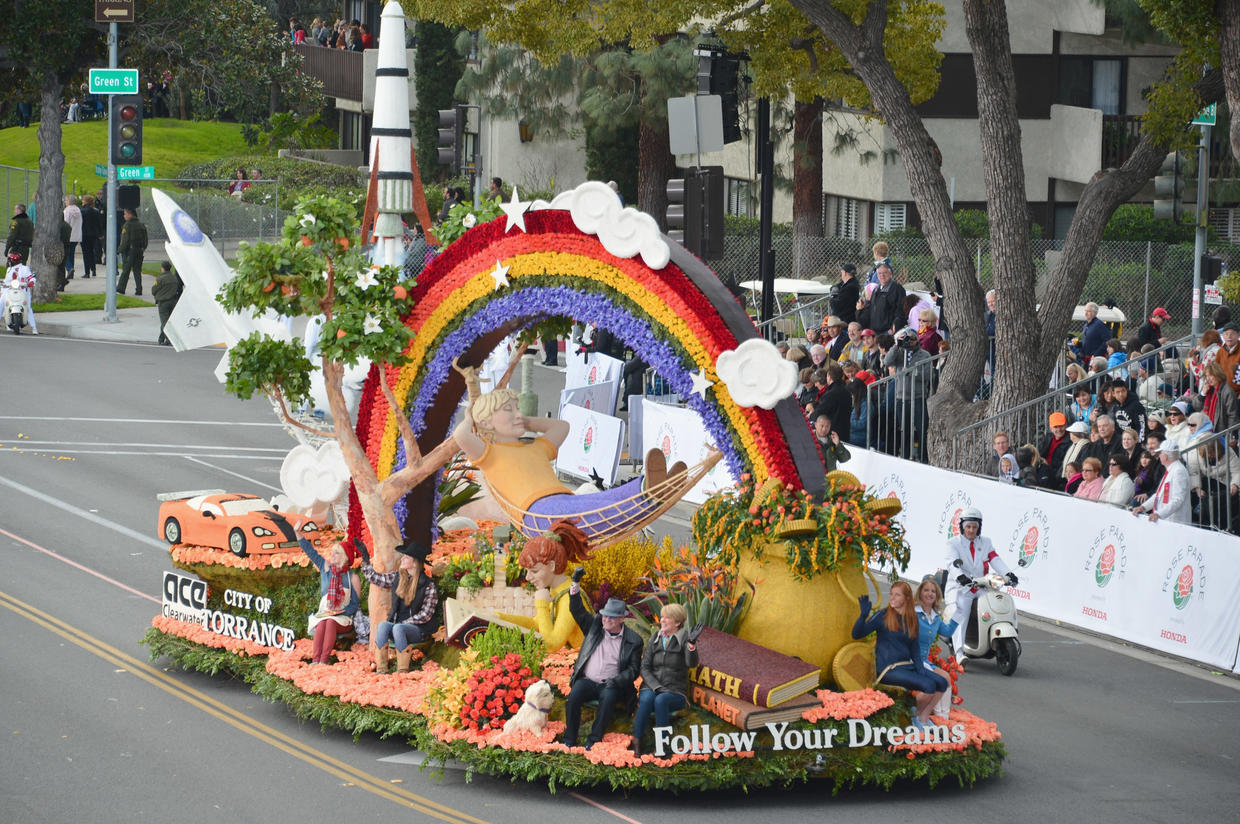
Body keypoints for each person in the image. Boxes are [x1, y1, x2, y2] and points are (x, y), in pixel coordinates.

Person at [853, 582, 949, 729]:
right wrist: (863, 616)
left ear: (907, 598)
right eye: (891, 594)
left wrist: (920, 669)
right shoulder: (883, 616)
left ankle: (922, 718)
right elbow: (857, 634)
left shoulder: (911, 620)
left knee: (942, 682)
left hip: (905, 666)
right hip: (887, 669)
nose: (892, 598)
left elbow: (914, 649)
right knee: (929, 685)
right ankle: (915, 716)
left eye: (897, 595)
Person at [562, 585, 643, 750]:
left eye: (612, 617)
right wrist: (575, 588)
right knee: (573, 699)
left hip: (611, 683)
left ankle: (593, 740)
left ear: (622, 619)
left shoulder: (634, 640)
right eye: (605, 615)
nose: (606, 619)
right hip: (588, 680)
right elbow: (578, 611)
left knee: (608, 700)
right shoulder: (595, 627)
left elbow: (634, 669)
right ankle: (569, 739)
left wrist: (617, 681)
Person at [501, 521, 595, 651]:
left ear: (551, 566)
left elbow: (551, 645)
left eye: (534, 571)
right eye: (527, 571)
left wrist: (541, 604)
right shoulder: (558, 592)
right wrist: (500, 618)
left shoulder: (569, 598)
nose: (527, 577)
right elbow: (537, 624)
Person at [942, 508, 1016, 664]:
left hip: (981, 585)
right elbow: (952, 564)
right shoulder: (953, 543)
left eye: (974, 527)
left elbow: (995, 559)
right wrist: (960, 577)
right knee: (962, 611)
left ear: (979, 527)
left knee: (993, 605)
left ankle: (992, 642)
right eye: (968, 526)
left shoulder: (985, 542)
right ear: (962, 526)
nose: (971, 530)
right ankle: (959, 652)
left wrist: (1008, 574)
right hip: (961, 586)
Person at [630, 603, 700, 755]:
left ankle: (662, 746)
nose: (662, 620)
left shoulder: (685, 638)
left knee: (661, 700)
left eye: (667, 618)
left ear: (677, 622)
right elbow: (645, 667)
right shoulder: (655, 637)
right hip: (651, 687)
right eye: (662, 617)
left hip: (675, 690)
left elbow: (691, 663)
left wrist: (691, 646)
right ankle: (637, 740)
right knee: (648, 699)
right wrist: (656, 686)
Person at [372, 539, 440, 674]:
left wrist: (405, 623)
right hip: (399, 628)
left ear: (414, 562)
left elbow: (426, 614)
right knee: (383, 626)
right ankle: (381, 669)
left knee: (398, 627)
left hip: (419, 630)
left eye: (406, 557)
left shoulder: (428, 584)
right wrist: (364, 562)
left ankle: (402, 669)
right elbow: (377, 579)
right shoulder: (399, 578)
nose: (402, 558)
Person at [300, 531, 361, 665]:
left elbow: (354, 605)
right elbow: (311, 552)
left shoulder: (353, 578)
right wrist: (297, 533)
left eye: (337, 553)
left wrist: (339, 612)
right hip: (325, 615)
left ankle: (324, 660)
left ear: (345, 557)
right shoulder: (326, 568)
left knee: (330, 621)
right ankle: (316, 660)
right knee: (324, 622)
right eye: (332, 552)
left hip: (343, 618)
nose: (332, 555)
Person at [885, 327, 931, 461]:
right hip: (901, 397)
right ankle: (904, 457)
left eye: (912, 339)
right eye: (906, 338)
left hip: (917, 397)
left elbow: (928, 375)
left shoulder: (925, 355)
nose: (909, 341)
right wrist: (896, 345)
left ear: (917, 340)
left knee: (922, 429)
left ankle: (923, 458)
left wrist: (912, 372)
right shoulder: (899, 353)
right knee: (904, 430)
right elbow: (888, 361)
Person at [914, 577, 957, 717]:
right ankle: (935, 717)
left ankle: (942, 716)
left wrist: (958, 615)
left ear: (937, 595)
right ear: (920, 592)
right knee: (942, 679)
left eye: (933, 591)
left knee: (946, 678)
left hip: (924, 662)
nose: (929, 593)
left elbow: (947, 632)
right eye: (926, 590)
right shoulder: (913, 613)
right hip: (911, 659)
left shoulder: (936, 617)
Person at [1133, 440, 1191, 524]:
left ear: (1165, 456)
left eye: (1160, 453)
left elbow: (1178, 499)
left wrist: (1159, 514)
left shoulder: (1178, 471)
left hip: (1175, 523)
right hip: (1166, 521)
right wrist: (1143, 507)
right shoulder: (1171, 469)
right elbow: (1158, 494)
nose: (1158, 456)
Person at [862, 262, 906, 334]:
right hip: (875, 331)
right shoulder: (876, 289)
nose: (882, 275)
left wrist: (894, 327)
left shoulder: (897, 289)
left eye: (885, 273)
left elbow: (901, 310)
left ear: (890, 274)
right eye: (879, 273)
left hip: (887, 332)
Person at [1, 252, 38, 334]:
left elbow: (31, 278)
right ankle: (8, 322)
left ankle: (34, 327)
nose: (9, 262)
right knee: (1, 303)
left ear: (14, 261)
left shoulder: (25, 268)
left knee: (28, 307)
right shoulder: (9, 270)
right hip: (10, 290)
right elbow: (6, 281)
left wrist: (31, 282)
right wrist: (4, 284)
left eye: (10, 260)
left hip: (23, 290)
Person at [1199, 361, 1239, 433]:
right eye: (1206, 376)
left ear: (1218, 374)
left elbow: (1233, 416)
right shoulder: (1207, 389)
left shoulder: (1228, 392)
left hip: (1220, 433)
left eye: (1210, 375)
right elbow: (1196, 406)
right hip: (1206, 431)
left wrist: (1230, 436)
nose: (1208, 379)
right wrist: (1202, 394)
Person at [116, 208, 147, 296]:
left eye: (125, 214)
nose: (124, 216)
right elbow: (145, 240)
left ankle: (121, 288)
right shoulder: (141, 225)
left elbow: (124, 241)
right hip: (139, 250)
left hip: (130, 251)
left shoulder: (127, 225)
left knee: (126, 270)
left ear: (130, 214)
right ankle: (139, 289)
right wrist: (142, 248)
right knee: (137, 270)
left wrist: (119, 250)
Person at [152, 261, 183, 346]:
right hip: (173, 301)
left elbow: (153, 290)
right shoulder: (174, 278)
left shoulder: (160, 279)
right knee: (168, 321)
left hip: (163, 303)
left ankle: (169, 340)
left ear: (163, 268)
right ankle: (161, 339)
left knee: (164, 322)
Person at [1213, 322, 1240, 396]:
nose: (1229, 336)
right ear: (1223, 336)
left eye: (1232, 334)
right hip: (1222, 393)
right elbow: (1215, 371)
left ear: (1238, 335)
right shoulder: (1220, 351)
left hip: (1237, 395)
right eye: (1226, 334)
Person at [1041, 412, 1070, 479]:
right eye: (1056, 427)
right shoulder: (1048, 437)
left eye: (1061, 426)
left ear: (1066, 425)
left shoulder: (1070, 440)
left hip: (1056, 475)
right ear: (1051, 428)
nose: (1059, 429)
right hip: (1044, 469)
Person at [79, 195, 100, 278]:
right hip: (93, 234)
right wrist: (100, 234)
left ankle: (87, 271)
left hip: (84, 234)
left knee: (85, 253)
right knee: (91, 252)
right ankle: (93, 269)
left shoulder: (82, 211)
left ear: (85, 201)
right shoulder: (95, 211)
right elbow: (98, 224)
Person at [62, 195, 82, 281]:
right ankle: (71, 271)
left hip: (68, 235)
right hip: (76, 235)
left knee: (65, 254)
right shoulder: (78, 210)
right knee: (71, 254)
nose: (65, 202)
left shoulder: (67, 211)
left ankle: (69, 268)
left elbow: (66, 222)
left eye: (66, 201)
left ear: (69, 201)